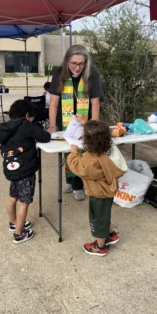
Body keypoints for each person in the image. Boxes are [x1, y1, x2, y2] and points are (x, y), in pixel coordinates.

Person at [48, 45, 103, 201]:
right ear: (67, 61)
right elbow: (53, 102)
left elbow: (96, 102)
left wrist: (94, 126)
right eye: (74, 63)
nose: (77, 67)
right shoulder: (59, 73)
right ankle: (70, 180)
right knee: (68, 149)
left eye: (81, 63)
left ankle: (79, 184)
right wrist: (52, 126)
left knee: (82, 149)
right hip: (64, 121)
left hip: (84, 120)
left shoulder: (92, 74)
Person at [67, 120, 125, 257]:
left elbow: (77, 167)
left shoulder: (90, 158)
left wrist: (73, 152)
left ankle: (100, 246)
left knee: (97, 219)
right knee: (104, 215)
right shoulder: (108, 152)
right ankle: (110, 234)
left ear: (86, 140)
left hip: (98, 192)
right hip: (108, 190)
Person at [0, 99, 51, 244]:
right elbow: (45, 137)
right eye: (32, 118)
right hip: (25, 171)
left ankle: (13, 222)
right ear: (27, 115)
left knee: (12, 197)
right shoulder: (25, 125)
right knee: (24, 202)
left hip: (11, 169)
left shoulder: (5, 127)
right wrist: (49, 131)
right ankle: (19, 233)